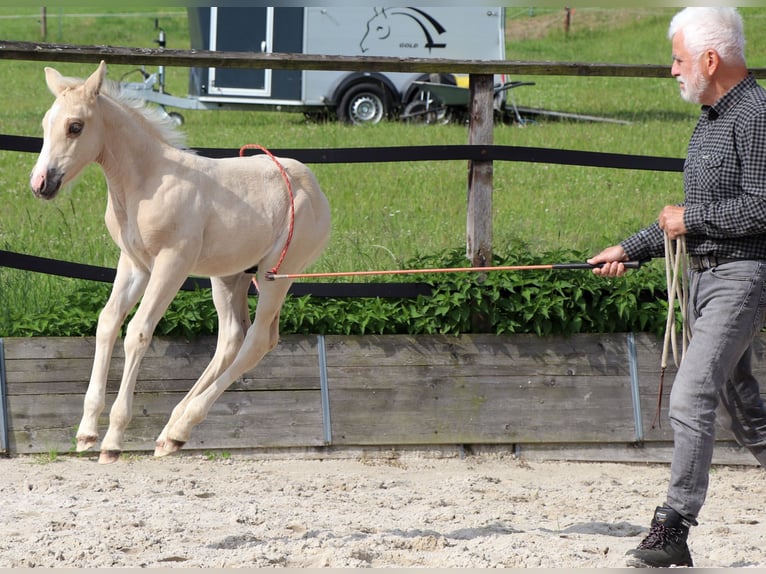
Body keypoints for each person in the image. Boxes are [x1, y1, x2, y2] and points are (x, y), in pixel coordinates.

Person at [588, 6, 766, 568]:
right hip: (704, 277)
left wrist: (692, 221)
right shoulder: (713, 118)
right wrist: (630, 248)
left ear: (710, 60)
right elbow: (688, 215)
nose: (672, 70)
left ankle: (673, 527)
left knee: (691, 397)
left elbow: (763, 205)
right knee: (747, 411)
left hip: (740, 276)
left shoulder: (756, 115)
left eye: (678, 58)